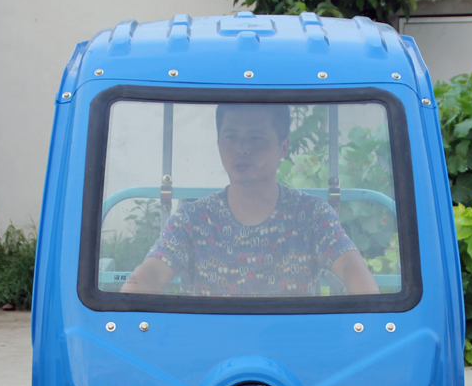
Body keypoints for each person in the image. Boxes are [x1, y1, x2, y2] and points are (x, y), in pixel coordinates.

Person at [121, 103, 379, 297]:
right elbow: (151, 272)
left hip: (294, 352)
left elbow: (351, 267)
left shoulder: (311, 215)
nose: (242, 148)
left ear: (283, 147)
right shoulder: (193, 219)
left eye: (256, 138)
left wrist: (373, 320)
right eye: (231, 137)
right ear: (219, 142)